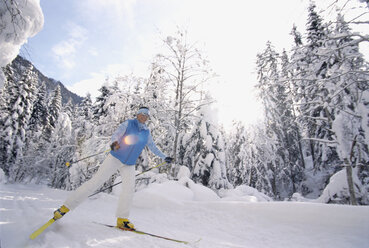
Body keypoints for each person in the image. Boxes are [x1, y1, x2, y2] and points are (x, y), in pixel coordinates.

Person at [52, 106, 173, 230]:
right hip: (115, 158)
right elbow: (117, 134)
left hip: (129, 164)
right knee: (95, 182)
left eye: (146, 115)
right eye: (141, 114)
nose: (143, 116)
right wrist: (115, 143)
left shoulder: (146, 132)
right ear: (137, 115)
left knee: (128, 190)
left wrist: (164, 157)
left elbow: (153, 147)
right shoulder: (128, 124)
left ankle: (122, 219)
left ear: (147, 118)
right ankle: (65, 207)